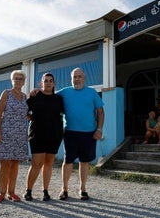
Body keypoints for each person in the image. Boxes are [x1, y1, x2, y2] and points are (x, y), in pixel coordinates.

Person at [56, 68, 104, 201]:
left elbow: (100, 112)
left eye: (79, 77)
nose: (76, 79)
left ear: (84, 78)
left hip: (89, 134)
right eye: (74, 77)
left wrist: (99, 130)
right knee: (68, 161)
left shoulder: (92, 92)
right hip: (71, 133)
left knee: (84, 161)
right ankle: (64, 189)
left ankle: (83, 189)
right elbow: (49, 96)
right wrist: (37, 91)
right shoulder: (64, 92)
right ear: (71, 79)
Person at [23, 73, 64, 201]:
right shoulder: (35, 96)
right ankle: (28, 191)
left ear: (53, 83)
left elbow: (63, 113)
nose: (48, 83)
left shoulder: (58, 99)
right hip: (37, 134)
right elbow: (23, 109)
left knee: (49, 163)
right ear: (41, 83)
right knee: (37, 163)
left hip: (54, 135)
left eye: (50, 80)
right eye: (45, 80)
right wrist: (29, 117)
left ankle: (45, 191)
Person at [0, 70, 28, 203]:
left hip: (19, 134)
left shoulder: (25, 97)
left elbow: (26, 114)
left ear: (24, 81)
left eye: (20, 79)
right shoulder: (6, 94)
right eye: (16, 78)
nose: (18, 80)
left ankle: (11, 192)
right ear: (12, 80)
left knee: (15, 163)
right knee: (5, 163)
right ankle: (2, 192)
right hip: (6, 133)